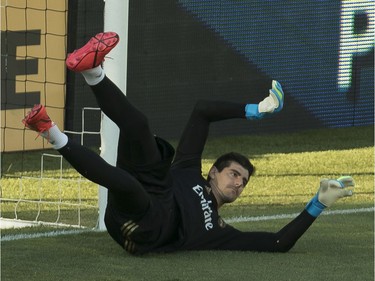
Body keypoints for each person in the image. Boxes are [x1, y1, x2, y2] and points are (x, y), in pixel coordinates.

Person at [23, 32, 355, 255]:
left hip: (144, 231)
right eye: (234, 173)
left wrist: (318, 203)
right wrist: (258, 109)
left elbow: (279, 242)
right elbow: (202, 111)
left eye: (243, 181)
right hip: (156, 189)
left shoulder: (220, 230)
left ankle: (53, 133)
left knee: (127, 184)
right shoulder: (186, 169)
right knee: (138, 126)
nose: (239, 183)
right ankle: (91, 71)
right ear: (212, 171)